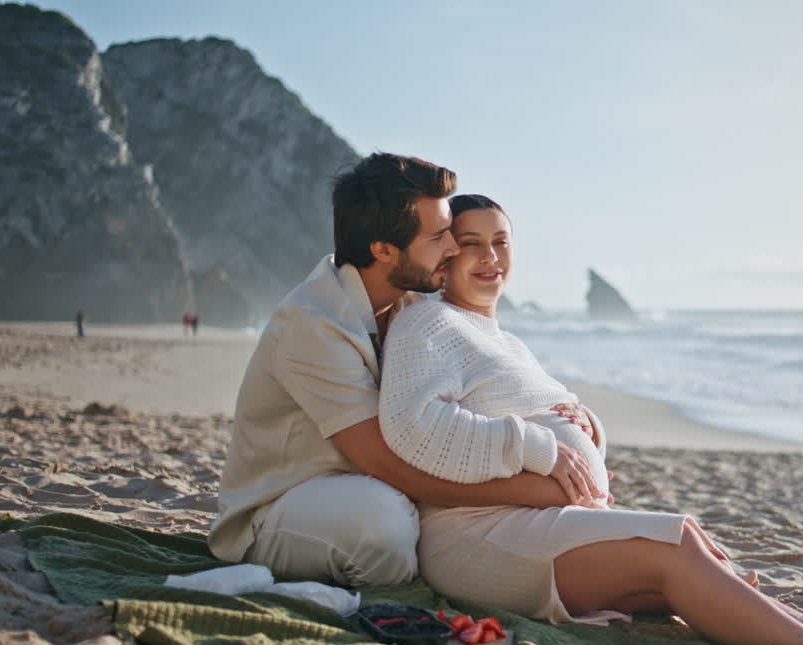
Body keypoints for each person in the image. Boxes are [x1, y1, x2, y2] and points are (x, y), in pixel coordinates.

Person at [379, 194, 803, 645]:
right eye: (472, 244)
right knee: (678, 547)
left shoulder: (503, 338)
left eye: (501, 242)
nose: (491, 257)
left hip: (535, 522)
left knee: (688, 544)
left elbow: (544, 418)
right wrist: (540, 445)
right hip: (477, 538)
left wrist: (588, 427)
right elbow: (416, 429)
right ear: (444, 259)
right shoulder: (426, 322)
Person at [209, 153, 597, 588]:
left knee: (419, 519)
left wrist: (568, 413)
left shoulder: (413, 304)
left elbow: (484, 378)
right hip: (284, 505)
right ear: (383, 249)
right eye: (438, 237)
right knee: (385, 528)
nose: (452, 249)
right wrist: (537, 491)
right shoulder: (312, 322)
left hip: (379, 487)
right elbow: (389, 464)